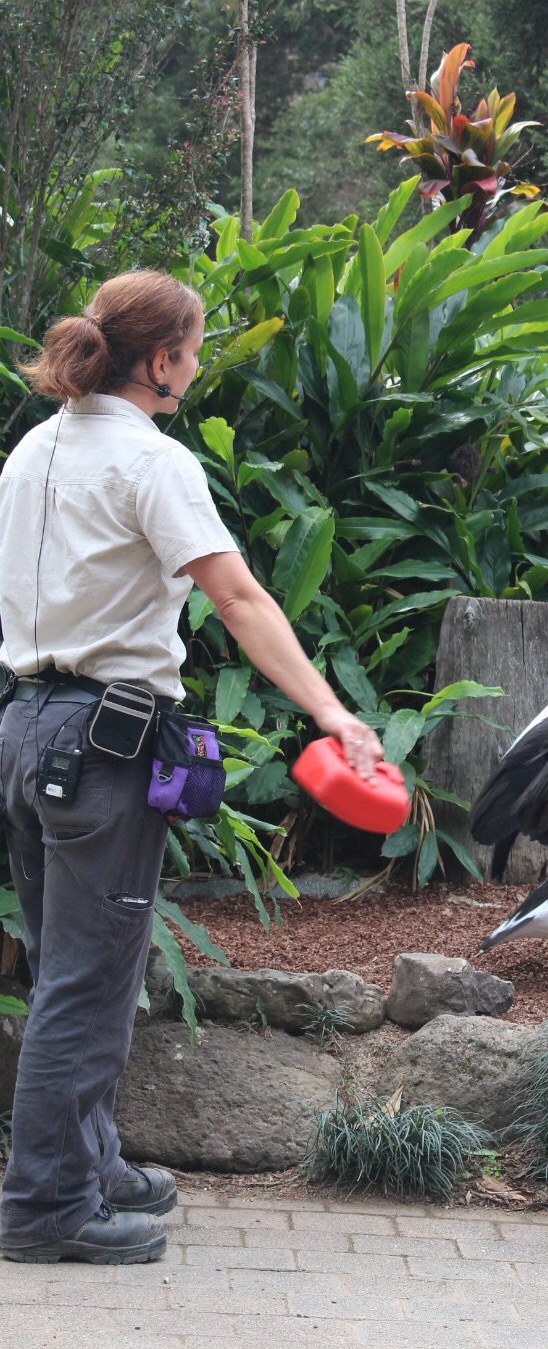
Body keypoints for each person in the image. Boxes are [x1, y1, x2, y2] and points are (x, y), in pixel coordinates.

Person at [0, 271, 383, 1265]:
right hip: (103, 742)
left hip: (28, 727)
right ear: (162, 360)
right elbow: (242, 599)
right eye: (197, 345)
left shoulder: (35, 448)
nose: (199, 360)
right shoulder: (149, 461)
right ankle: (44, 1206)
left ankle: (90, 1164)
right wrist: (334, 712)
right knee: (86, 981)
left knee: (63, 966)